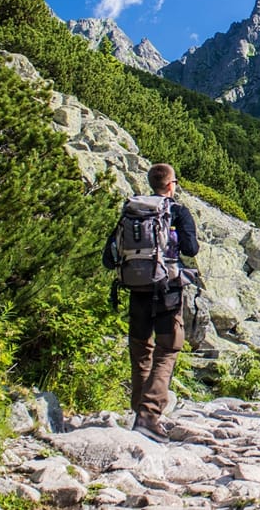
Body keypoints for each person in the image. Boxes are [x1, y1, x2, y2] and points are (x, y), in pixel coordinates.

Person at [103, 163, 199, 443]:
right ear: (171, 185)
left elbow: (109, 258)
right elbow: (191, 249)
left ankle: (139, 411)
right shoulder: (177, 211)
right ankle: (149, 414)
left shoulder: (131, 211)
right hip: (167, 290)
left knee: (140, 349)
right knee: (168, 348)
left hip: (136, 289)